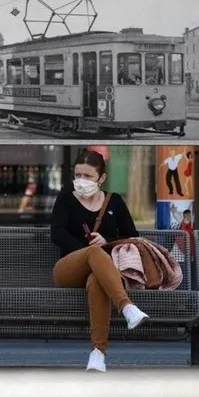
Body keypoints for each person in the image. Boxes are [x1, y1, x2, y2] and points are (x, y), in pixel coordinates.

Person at [50, 149, 149, 372]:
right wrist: (86, 252)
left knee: (96, 281)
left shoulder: (114, 202)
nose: (81, 181)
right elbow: (56, 233)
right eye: (78, 175)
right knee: (94, 253)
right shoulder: (66, 198)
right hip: (68, 268)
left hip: (102, 274)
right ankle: (127, 307)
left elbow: (132, 237)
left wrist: (108, 239)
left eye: (88, 176)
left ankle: (97, 354)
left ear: (101, 178)